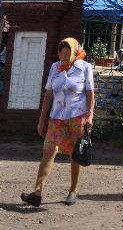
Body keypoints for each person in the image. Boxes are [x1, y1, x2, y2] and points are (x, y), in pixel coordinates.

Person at [20, 37, 95, 208]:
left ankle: (73, 191)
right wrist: (41, 121)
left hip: (77, 118)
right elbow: (48, 96)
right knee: (48, 151)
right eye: (61, 53)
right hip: (56, 119)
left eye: (66, 53)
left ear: (74, 52)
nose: (63, 57)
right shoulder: (55, 67)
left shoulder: (85, 67)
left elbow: (90, 95)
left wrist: (90, 117)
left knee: (75, 154)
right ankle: (37, 193)